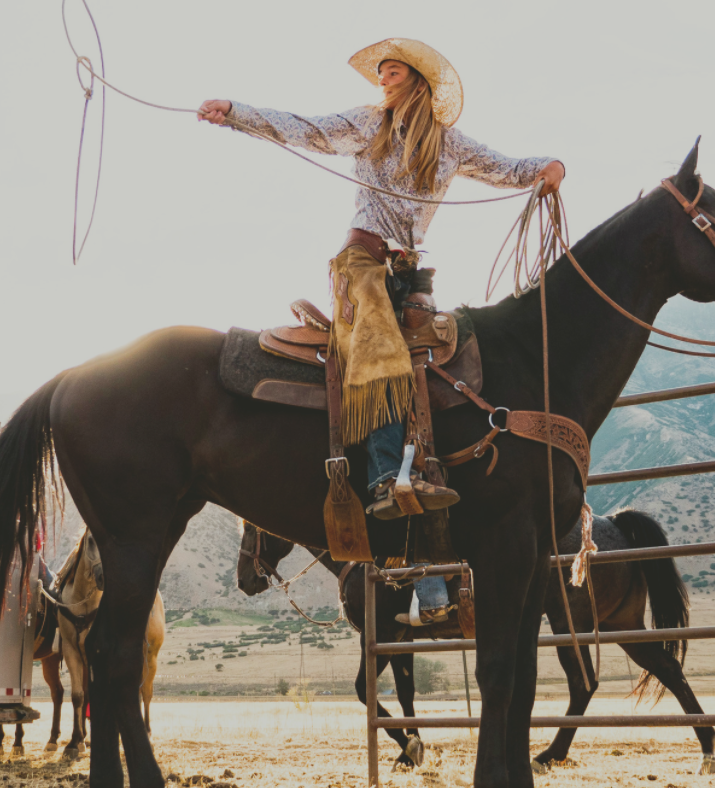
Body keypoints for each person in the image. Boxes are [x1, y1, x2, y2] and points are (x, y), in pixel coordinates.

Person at [198, 40, 564, 611]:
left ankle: (435, 513)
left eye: (393, 72)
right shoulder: (367, 123)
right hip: (362, 264)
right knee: (381, 357)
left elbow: (502, 167)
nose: (384, 80)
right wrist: (236, 113)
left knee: (437, 367)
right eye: (382, 73)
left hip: (411, 276)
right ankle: (384, 477)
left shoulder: (447, 143)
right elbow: (306, 129)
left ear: (418, 81)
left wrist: (544, 168)